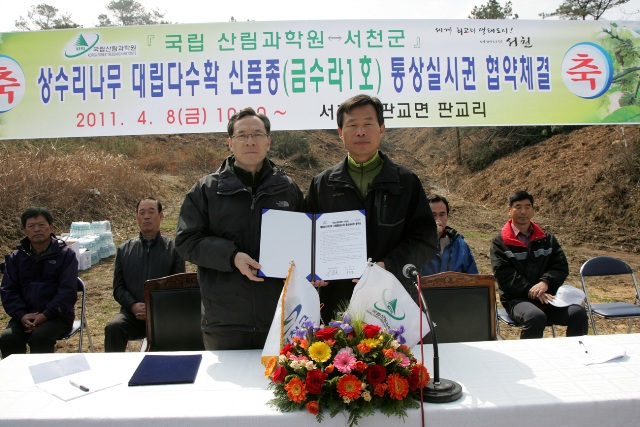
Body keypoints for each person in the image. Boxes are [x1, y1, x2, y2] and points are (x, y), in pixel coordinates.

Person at [175, 107, 304, 350]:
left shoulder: (287, 189)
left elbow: (306, 239)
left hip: (279, 317)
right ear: (230, 143)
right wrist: (231, 256)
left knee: (276, 386)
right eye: (242, 135)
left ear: (268, 141)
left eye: (257, 134)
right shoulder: (206, 190)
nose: (250, 141)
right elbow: (186, 241)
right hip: (224, 320)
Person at [305, 94, 437, 323]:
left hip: (393, 302)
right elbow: (306, 238)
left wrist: (388, 265)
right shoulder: (322, 184)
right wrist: (312, 268)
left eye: (368, 124)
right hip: (337, 302)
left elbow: (425, 240)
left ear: (382, 129)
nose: (360, 132)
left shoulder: (405, 181)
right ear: (340, 132)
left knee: (392, 358)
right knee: (338, 358)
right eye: (352, 125)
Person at [490, 190, 588, 339]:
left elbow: (560, 266)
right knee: (535, 317)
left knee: (578, 313)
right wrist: (531, 290)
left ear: (533, 210)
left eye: (527, 206)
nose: (523, 211)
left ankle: (578, 355)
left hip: (548, 296)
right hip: (517, 299)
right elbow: (504, 275)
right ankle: (527, 360)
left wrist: (545, 283)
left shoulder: (547, 239)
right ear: (509, 210)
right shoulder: (500, 243)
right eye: (518, 207)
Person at [104, 198, 185, 352]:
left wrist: (154, 308)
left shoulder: (173, 249)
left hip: (163, 315)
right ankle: (113, 374)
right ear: (137, 218)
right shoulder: (124, 250)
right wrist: (133, 305)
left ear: (161, 216)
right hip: (132, 314)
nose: (146, 216)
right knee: (114, 327)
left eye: (151, 212)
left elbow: (179, 287)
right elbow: (118, 288)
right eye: (142, 213)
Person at [0, 207, 78, 357]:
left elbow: (67, 292)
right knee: (8, 338)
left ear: (51, 227)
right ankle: (17, 379)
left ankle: (45, 379)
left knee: (40, 338)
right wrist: (22, 315)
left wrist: (45, 315)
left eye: (41, 225)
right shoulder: (16, 258)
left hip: (57, 316)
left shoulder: (66, 255)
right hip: (24, 317)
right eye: (31, 226)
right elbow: (8, 290)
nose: (37, 230)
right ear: (24, 230)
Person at [421, 194, 478, 276]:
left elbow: (474, 278)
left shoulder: (460, 245)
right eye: (433, 215)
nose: (438, 220)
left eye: (442, 214)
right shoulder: (415, 244)